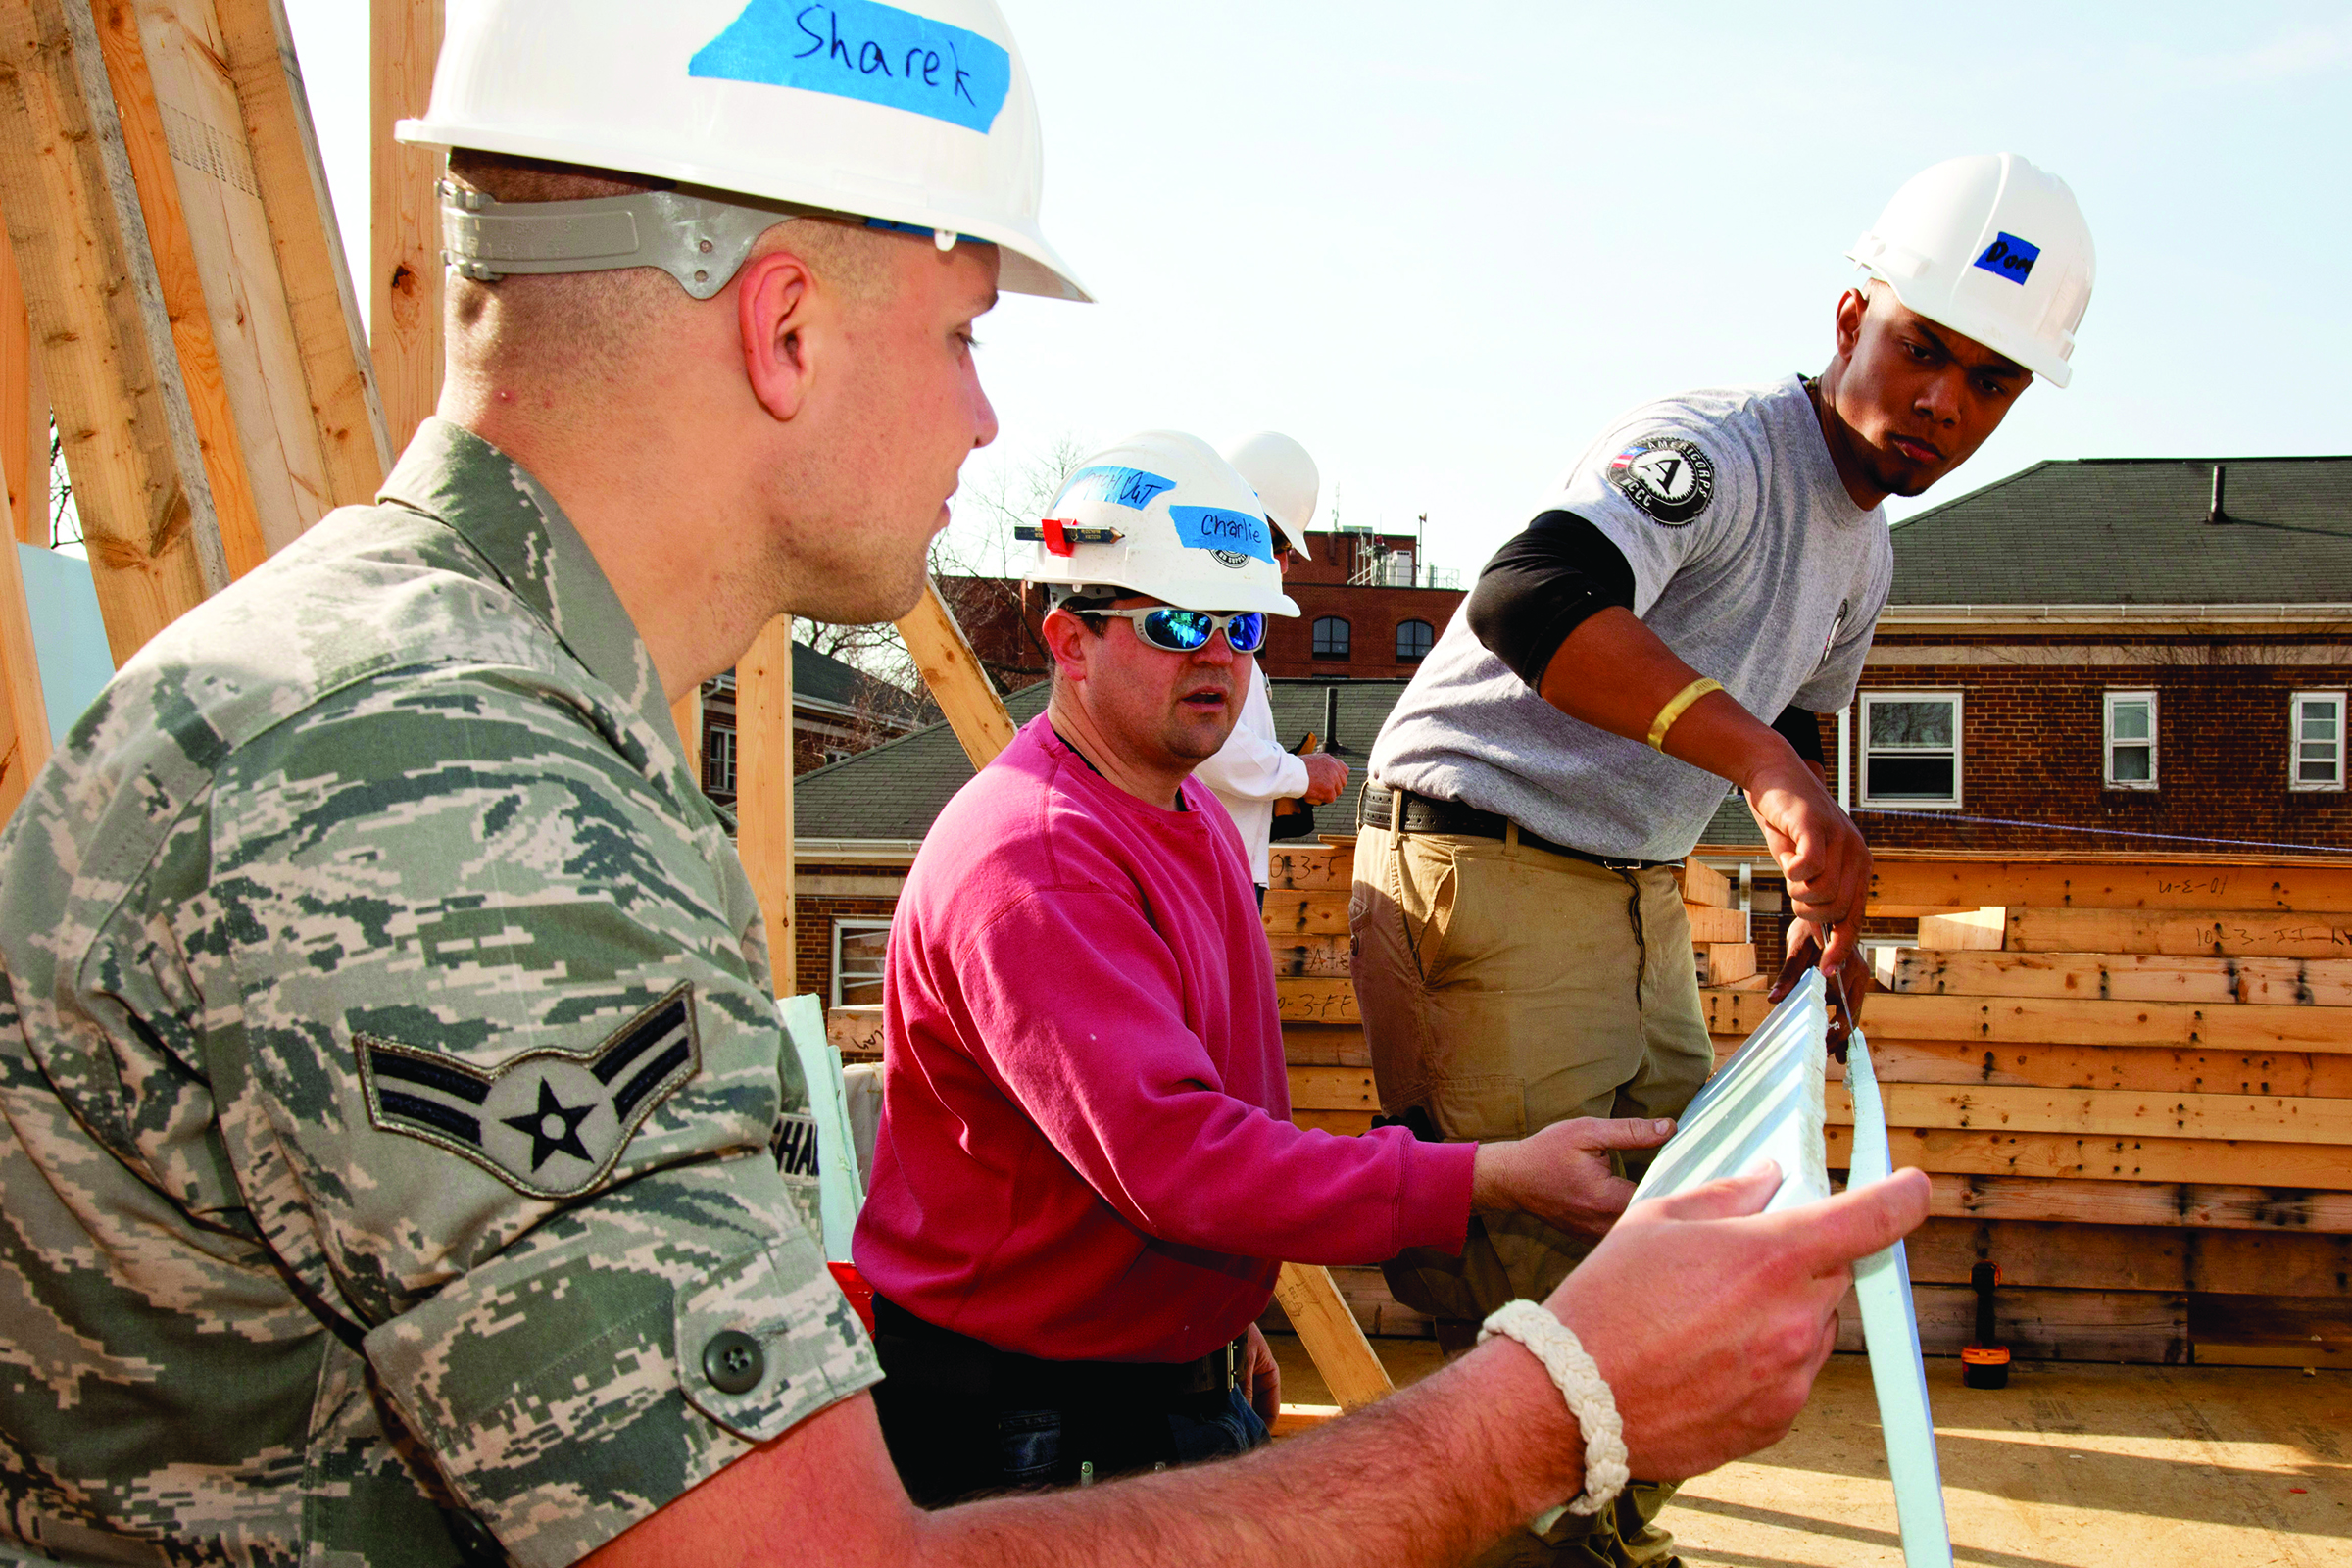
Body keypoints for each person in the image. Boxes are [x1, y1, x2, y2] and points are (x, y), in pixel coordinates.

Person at [0, 6, 1931, 1565]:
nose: (988, 416)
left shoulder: (451, 704)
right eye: (965, 333)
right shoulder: (467, 814)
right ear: (783, 326)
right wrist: (1553, 1399)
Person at [1352, 152, 2094, 1564]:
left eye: (1991, 382)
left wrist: (1807, 930)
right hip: (1483, 865)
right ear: (1847, 319)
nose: (1943, 401)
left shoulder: (1865, 555)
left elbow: (1800, 746)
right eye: (1921, 347)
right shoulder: (1717, 448)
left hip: (1635, 892)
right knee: (1543, 1296)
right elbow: (1530, 596)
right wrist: (1761, 769)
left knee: (1707, 1256)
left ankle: (1595, 1539)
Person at [854, 431, 1670, 1505]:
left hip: (1138, 1375)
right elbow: (1179, 1156)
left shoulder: (1179, 811)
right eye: (1179, 622)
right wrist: (1482, 1178)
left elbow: (1200, 1111)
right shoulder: (1041, 858)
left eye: (1240, 627)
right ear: (1069, 639)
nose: (1219, 657)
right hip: (1031, 1422)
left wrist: (1220, 1316)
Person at [1193, 431, 1350, 899]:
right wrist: (1300, 774)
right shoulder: (1199, 612)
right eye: (1278, 543)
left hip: (1228, 864)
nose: (1283, 565)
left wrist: (1281, 774)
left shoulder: (1221, 613)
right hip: (1212, 871)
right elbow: (1208, 743)